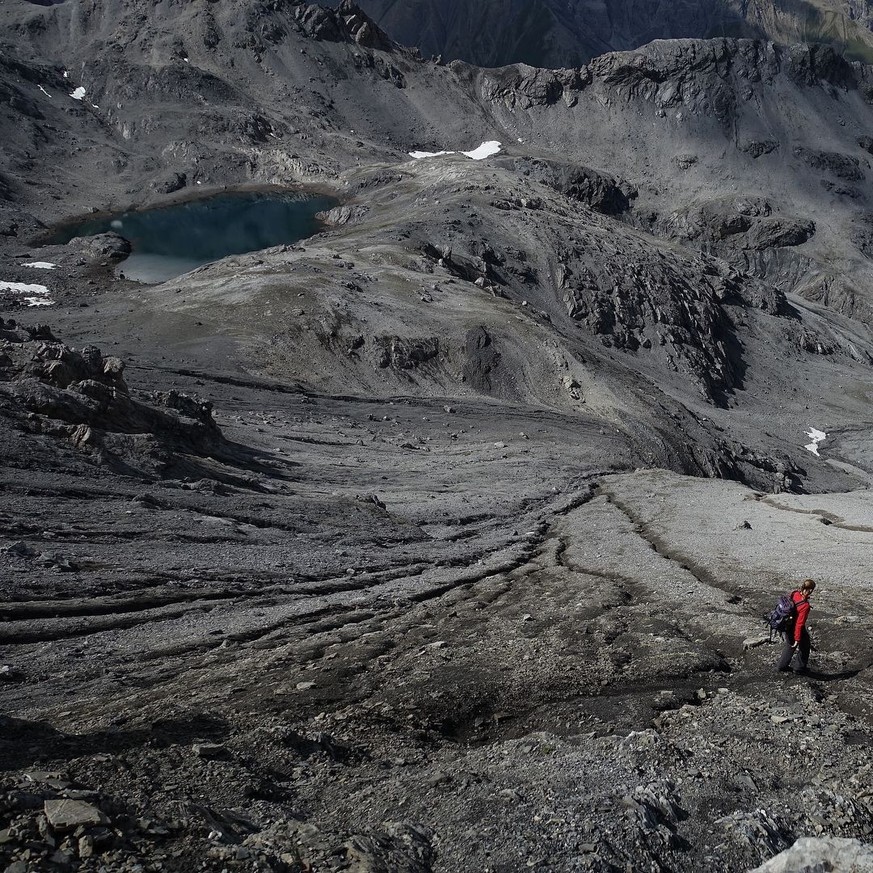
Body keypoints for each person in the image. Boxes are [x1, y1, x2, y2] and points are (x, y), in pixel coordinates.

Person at [777, 579, 816, 674]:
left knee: (789, 646)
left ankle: (781, 666)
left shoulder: (795, 593)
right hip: (795, 628)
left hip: (787, 626)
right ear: (810, 590)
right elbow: (799, 624)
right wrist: (797, 639)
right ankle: (799, 668)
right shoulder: (805, 606)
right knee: (805, 645)